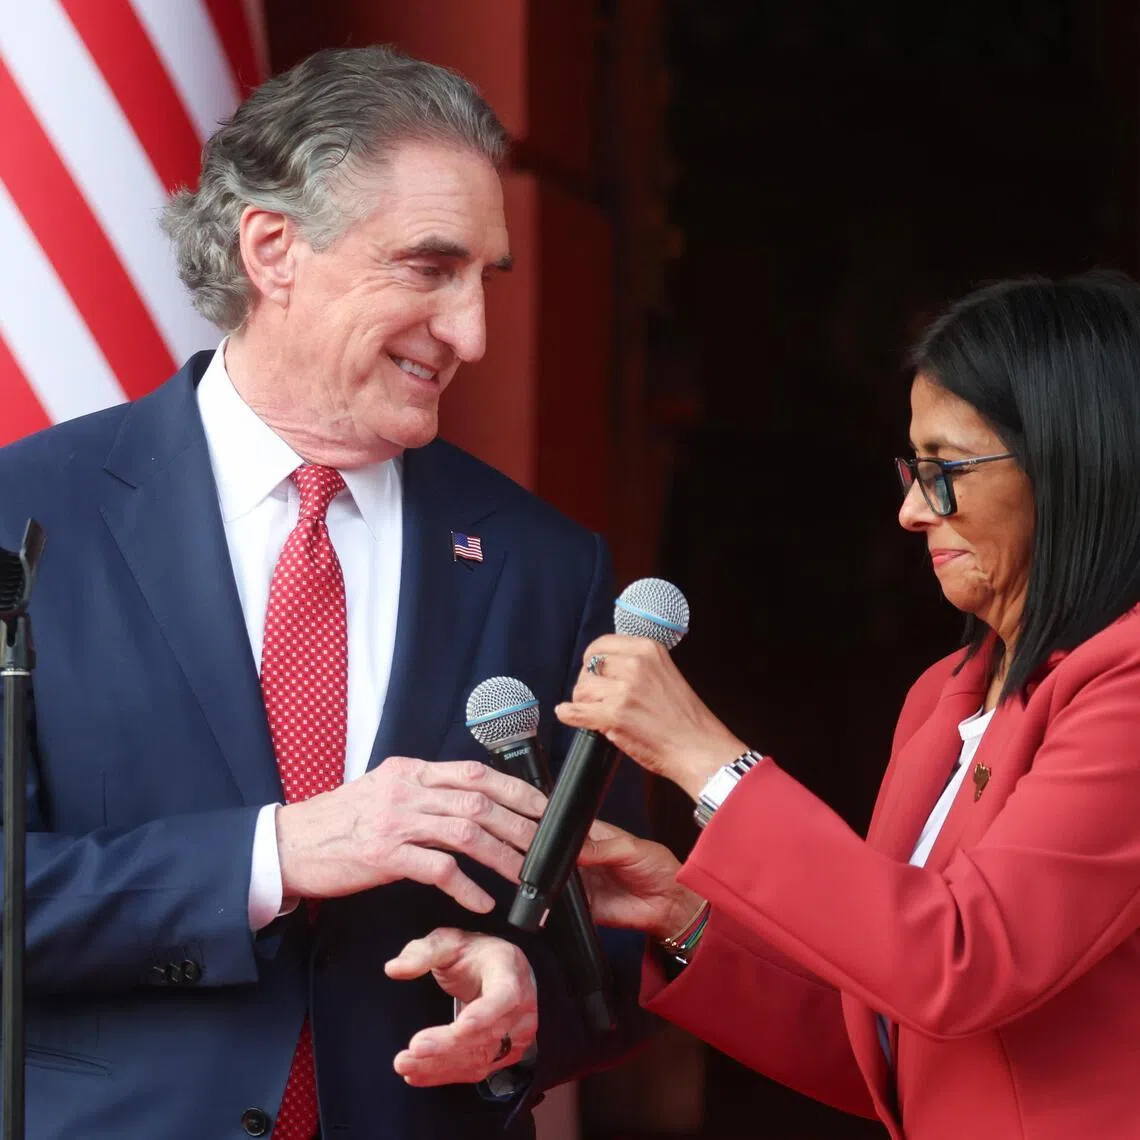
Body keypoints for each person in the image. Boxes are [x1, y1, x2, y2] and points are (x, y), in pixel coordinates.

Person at [0, 46, 650, 1140]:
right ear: (272, 248)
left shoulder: (548, 564)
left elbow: (619, 921)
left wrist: (528, 994)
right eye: (427, 268)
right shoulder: (25, 514)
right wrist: (276, 855)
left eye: (482, 280)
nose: (471, 335)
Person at [541, 273, 1140, 1139]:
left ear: (1074, 464)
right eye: (912, 469)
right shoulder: (946, 696)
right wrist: (685, 913)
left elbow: (959, 963)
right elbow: (888, 1041)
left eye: (945, 471)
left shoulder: (1125, 683)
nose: (908, 511)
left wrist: (709, 762)